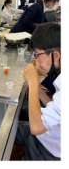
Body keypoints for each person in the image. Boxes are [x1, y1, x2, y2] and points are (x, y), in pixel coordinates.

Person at [15, 22, 60, 160]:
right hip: (48, 134)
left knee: (9, 130)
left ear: (56, 55)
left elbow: (36, 127)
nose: (36, 60)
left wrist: (33, 81)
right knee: (10, 128)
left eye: (37, 54)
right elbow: (56, 108)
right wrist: (39, 91)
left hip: (48, 151)